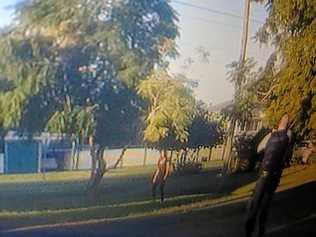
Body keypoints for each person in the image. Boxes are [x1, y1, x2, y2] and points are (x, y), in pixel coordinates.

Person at [245, 114, 294, 237]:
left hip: (265, 172)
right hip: (275, 173)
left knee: (257, 201)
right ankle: (260, 229)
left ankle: (250, 230)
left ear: (280, 122)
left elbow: (259, 149)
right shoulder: (288, 135)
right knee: (265, 202)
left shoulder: (271, 135)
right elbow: (287, 152)